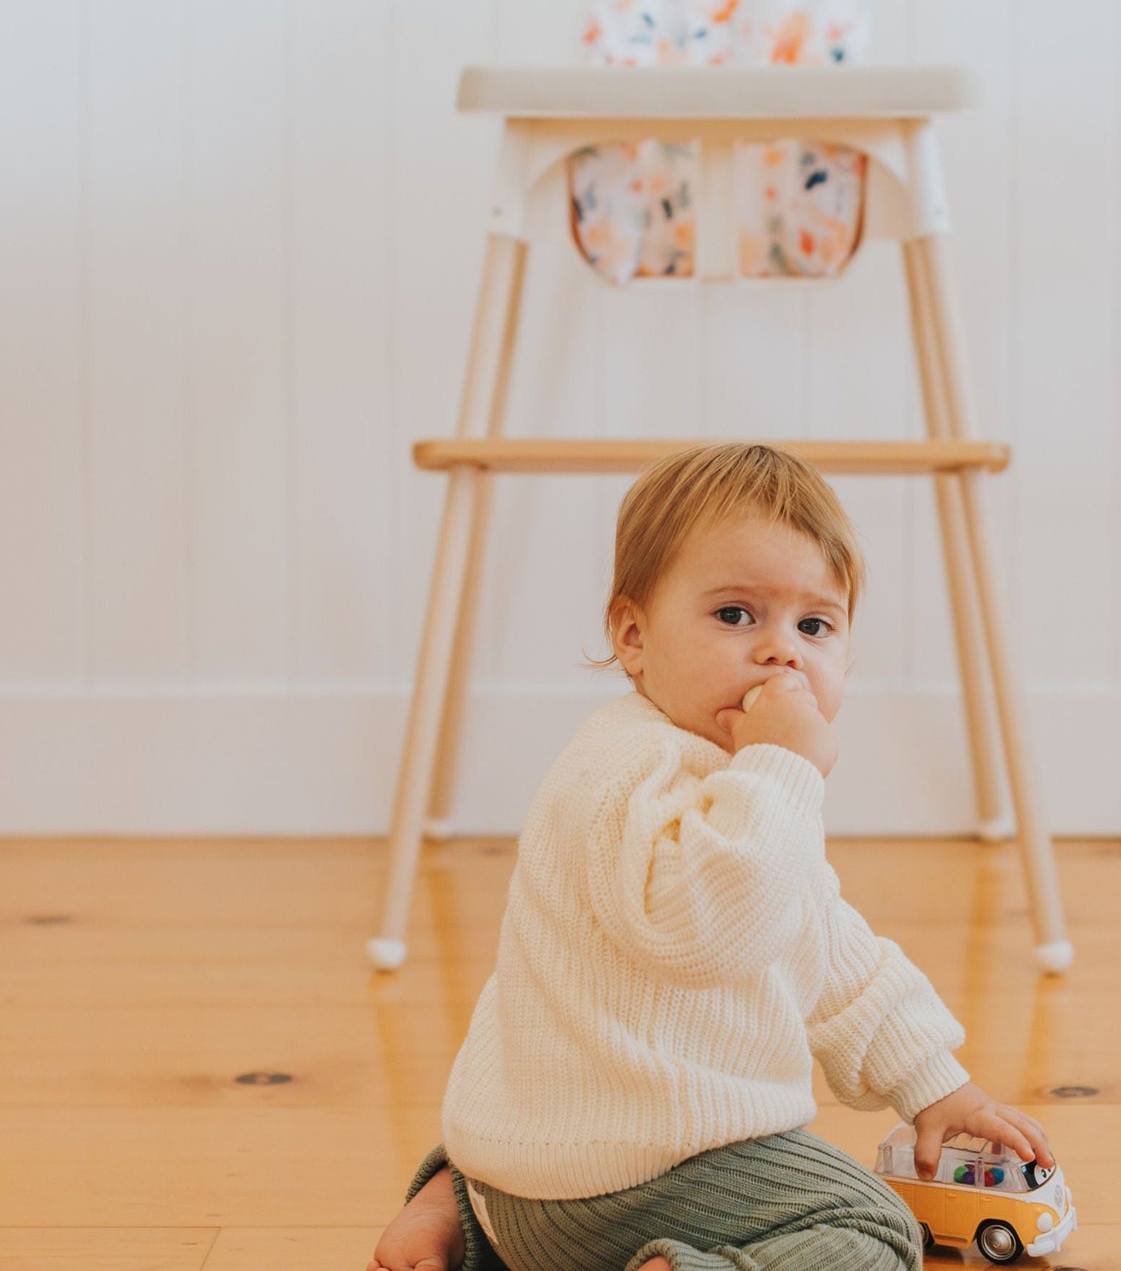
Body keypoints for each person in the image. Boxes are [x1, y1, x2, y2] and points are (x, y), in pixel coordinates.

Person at [367, 443, 1054, 1271]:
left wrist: (936, 1085)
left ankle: (460, 1215)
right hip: (624, 1170)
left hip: (519, 1162)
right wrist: (782, 767)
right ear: (632, 634)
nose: (781, 652)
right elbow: (706, 932)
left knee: (534, 1161)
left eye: (814, 625)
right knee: (872, 1226)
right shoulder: (637, 772)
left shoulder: (738, 789)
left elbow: (832, 953)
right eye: (735, 615)